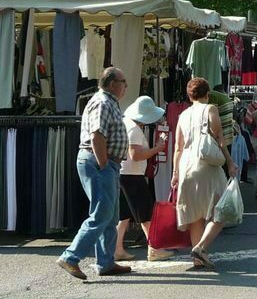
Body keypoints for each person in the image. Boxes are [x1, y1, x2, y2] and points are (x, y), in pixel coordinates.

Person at [57, 68, 132, 280]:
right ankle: (70, 257)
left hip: (105, 163)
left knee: (110, 216)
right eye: (123, 81)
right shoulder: (103, 102)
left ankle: (106, 263)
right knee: (101, 214)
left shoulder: (108, 101)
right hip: (100, 162)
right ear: (111, 83)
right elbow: (97, 134)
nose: (126, 85)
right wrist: (103, 164)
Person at [172, 77, 238, 269]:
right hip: (206, 165)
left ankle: (197, 258)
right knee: (221, 209)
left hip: (186, 165)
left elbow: (178, 146)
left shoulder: (183, 115)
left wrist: (175, 172)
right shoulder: (210, 109)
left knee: (195, 214)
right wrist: (230, 162)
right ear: (207, 93)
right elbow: (219, 139)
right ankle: (200, 248)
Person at [115, 96, 174, 262]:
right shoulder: (134, 129)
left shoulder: (126, 123)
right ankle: (154, 248)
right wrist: (158, 148)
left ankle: (117, 248)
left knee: (124, 215)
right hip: (132, 176)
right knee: (145, 213)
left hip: (124, 173)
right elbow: (136, 155)